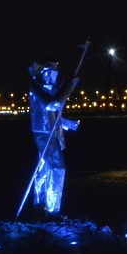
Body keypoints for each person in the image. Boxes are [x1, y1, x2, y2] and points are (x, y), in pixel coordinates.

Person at [27, 60, 79, 215]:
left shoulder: (51, 89)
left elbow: (54, 116)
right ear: (44, 72)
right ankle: (52, 210)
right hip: (44, 134)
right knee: (57, 168)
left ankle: (40, 205)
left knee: (43, 170)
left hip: (51, 133)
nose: (56, 73)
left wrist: (69, 124)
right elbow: (52, 105)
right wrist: (69, 86)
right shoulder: (36, 87)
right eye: (53, 70)